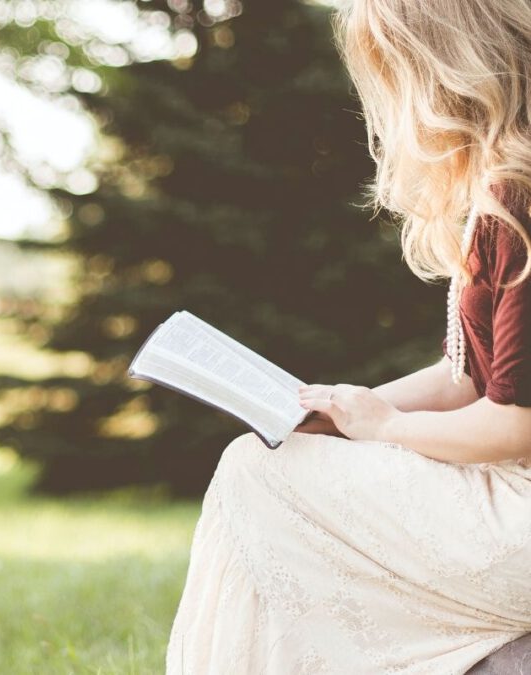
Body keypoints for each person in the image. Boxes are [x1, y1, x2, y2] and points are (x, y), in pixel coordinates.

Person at [165, 1, 531, 673]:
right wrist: (340, 411)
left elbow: (512, 424)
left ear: (442, 71)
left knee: (252, 472)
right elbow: (466, 378)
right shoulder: (499, 192)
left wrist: (384, 426)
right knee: (261, 465)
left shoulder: (516, 197)